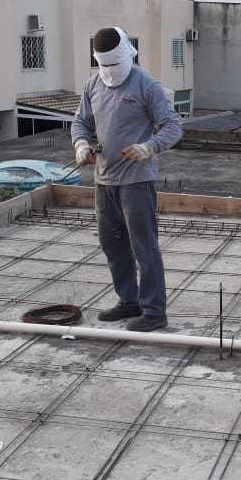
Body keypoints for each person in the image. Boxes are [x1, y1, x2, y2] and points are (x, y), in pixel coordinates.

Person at [71, 26, 183, 332]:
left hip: (136, 182)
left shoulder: (146, 84)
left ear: (128, 54)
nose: (109, 71)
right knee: (112, 244)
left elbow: (173, 126)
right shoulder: (93, 85)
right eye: (104, 65)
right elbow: (81, 122)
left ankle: (154, 312)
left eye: (114, 64)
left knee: (144, 247)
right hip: (104, 180)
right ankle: (129, 300)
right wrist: (81, 145)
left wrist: (149, 147)